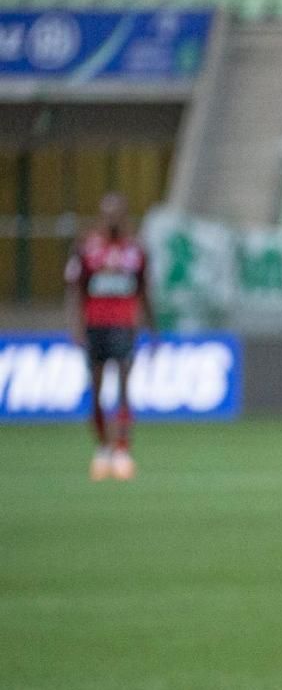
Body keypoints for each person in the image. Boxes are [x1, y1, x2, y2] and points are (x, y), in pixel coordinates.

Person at [66, 193, 153, 482]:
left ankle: (122, 450)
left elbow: (144, 290)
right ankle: (103, 448)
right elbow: (76, 289)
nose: (113, 218)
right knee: (97, 390)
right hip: (95, 326)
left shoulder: (136, 250)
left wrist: (152, 328)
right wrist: (76, 327)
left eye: (118, 213)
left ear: (125, 214)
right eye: (108, 213)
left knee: (125, 388)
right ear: (102, 216)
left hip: (124, 326)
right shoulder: (87, 248)